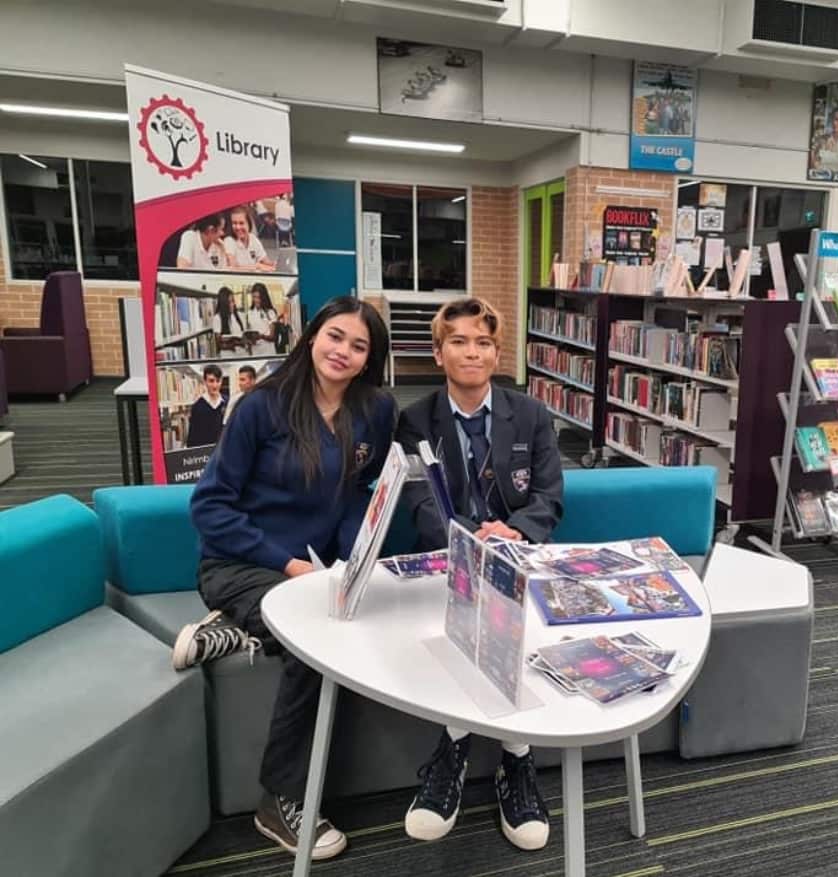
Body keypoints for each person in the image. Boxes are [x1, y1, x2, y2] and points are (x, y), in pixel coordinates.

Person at [174, 296, 396, 861]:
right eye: (335, 336)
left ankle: (238, 630)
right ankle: (281, 798)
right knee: (316, 648)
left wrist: (351, 559)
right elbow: (210, 507)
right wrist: (289, 564)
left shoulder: (375, 410)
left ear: (371, 359)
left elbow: (357, 493)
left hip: (313, 574)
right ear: (312, 336)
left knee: (354, 620)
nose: (343, 351)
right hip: (240, 563)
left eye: (359, 345)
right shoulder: (262, 406)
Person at [395, 296, 563, 852]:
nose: (473, 352)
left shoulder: (533, 414)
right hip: (452, 560)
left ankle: (490, 757)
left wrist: (514, 534)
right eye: (460, 342)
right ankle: (498, 756)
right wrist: (470, 538)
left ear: (497, 352)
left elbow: (548, 497)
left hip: (518, 555)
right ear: (439, 352)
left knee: (518, 617)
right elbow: (419, 501)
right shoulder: (415, 420)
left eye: (484, 342)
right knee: (462, 620)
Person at [186, 364, 226, 448]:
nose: (215, 385)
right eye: (211, 381)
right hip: (205, 456)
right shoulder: (197, 407)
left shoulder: (228, 403)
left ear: (221, 381)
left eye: (218, 381)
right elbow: (192, 439)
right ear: (205, 381)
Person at [226, 205, 276, 272]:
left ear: (249, 224)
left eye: (241, 223)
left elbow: (266, 261)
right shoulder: (229, 241)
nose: (238, 227)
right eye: (234, 223)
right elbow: (233, 267)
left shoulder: (253, 238)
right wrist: (257, 267)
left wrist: (274, 264)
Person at [245, 283, 279, 356]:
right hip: (255, 352)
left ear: (263, 297)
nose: (256, 300)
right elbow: (249, 333)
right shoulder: (249, 313)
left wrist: (261, 336)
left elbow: (272, 337)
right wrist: (249, 340)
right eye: (254, 297)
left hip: (268, 351)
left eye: (259, 297)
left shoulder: (270, 312)